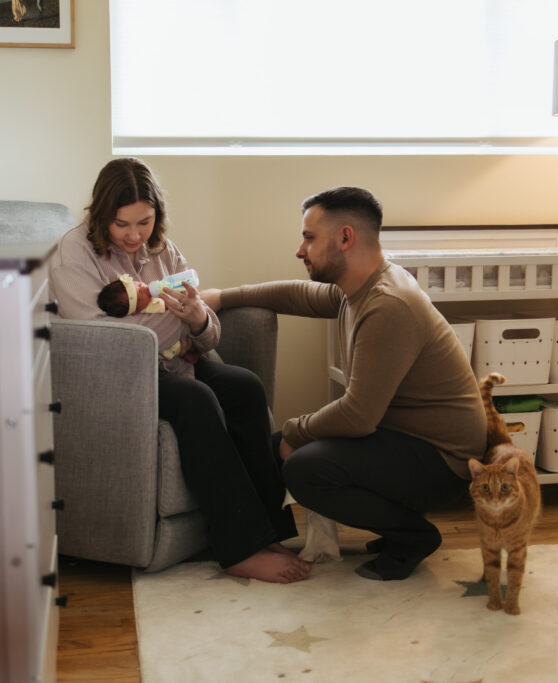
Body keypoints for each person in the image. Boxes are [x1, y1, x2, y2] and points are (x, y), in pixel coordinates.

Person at [201, 187, 487, 581]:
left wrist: (295, 432)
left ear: (346, 238)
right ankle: (264, 539)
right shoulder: (362, 286)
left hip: (442, 461)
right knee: (270, 446)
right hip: (405, 439)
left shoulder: (389, 305)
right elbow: (300, 295)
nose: (300, 250)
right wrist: (221, 297)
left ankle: (413, 536)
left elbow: (357, 417)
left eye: (309, 238)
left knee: (303, 468)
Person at [48, 157, 307, 583]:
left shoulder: (163, 250)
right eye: (122, 224)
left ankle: (268, 529)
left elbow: (209, 335)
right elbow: (107, 338)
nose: (135, 236)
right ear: (100, 217)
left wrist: (198, 320)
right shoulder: (73, 254)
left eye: (145, 222)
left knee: (245, 387)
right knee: (196, 400)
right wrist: (181, 319)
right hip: (123, 373)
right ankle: (239, 548)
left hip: (178, 359)